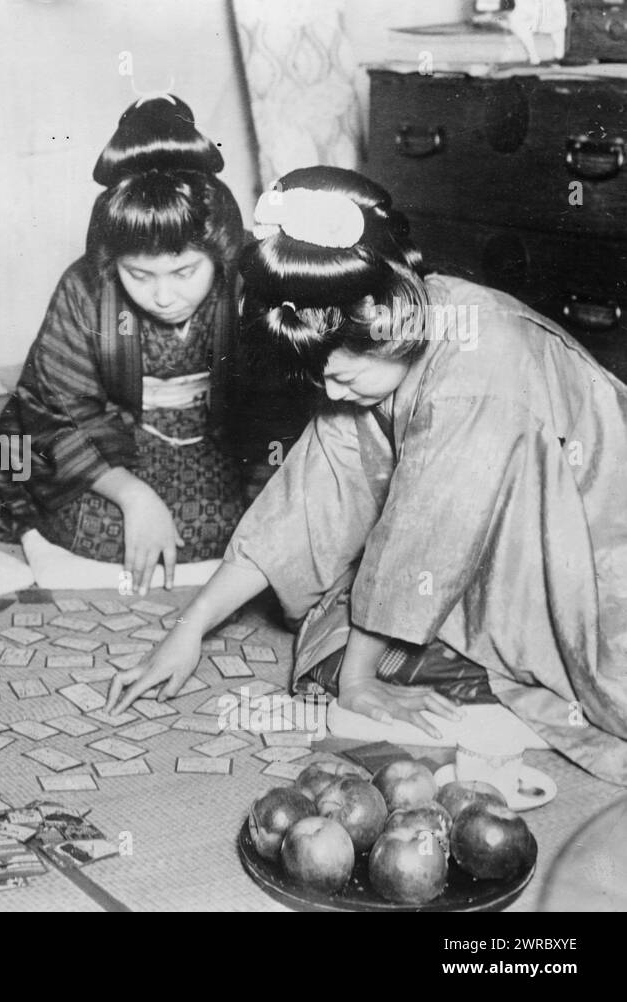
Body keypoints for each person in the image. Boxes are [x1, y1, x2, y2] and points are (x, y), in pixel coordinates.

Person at [109, 165, 627, 788]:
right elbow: (306, 500)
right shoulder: (376, 340)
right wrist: (188, 629)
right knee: (334, 645)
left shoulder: (480, 364)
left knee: (363, 665)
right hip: (475, 539)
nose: (329, 392)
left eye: (343, 377)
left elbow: (423, 539)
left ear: (387, 316)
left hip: (593, 554)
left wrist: (358, 681)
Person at [0, 95, 263, 597]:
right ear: (112, 261)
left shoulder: (250, 281)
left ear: (220, 249)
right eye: (139, 274)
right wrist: (132, 496)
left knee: (254, 522)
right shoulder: (85, 289)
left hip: (220, 435)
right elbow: (55, 412)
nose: (164, 295)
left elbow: (276, 408)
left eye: (185, 272)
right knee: (99, 526)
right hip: (113, 440)